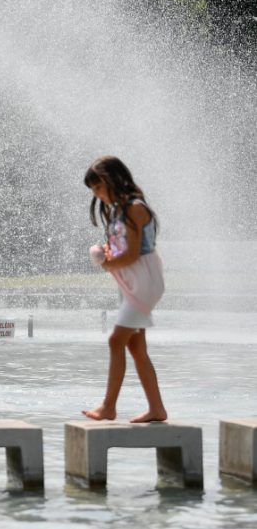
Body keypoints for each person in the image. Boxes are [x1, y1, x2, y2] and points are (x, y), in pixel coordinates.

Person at [81, 156, 167, 423]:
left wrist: (107, 262)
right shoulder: (118, 210)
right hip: (129, 281)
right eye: (94, 190)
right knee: (136, 347)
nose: (97, 194)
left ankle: (109, 406)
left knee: (115, 340)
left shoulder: (135, 208)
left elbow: (132, 255)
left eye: (98, 187)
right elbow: (123, 249)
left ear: (113, 180)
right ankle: (157, 408)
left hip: (143, 280)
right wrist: (108, 253)